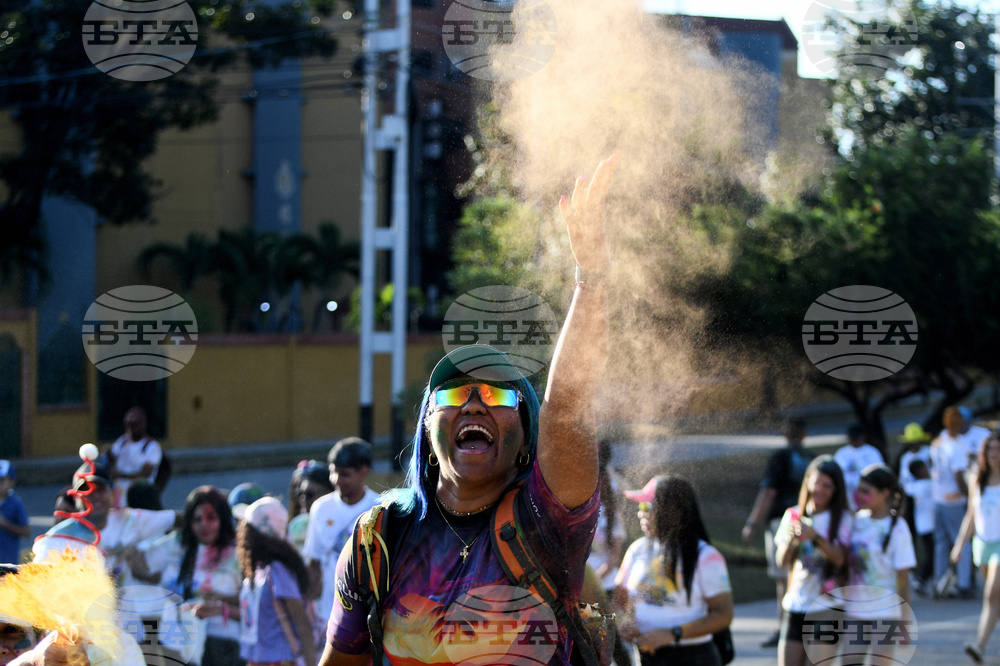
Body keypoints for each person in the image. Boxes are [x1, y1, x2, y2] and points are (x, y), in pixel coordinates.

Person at [320, 155, 616, 666]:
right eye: (455, 395)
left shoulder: (545, 528)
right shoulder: (380, 539)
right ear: (429, 427)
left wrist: (590, 280)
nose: (474, 400)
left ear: (526, 439)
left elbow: (566, 407)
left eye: (499, 395)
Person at [615, 475, 734, 666]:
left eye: (647, 507)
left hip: (694, 658)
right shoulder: (637, 550)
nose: (640, 513)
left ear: (671, 512)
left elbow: (723, 614)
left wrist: (673, 634)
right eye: (640, 506)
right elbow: (619, 599)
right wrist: (622, 620)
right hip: (647, 657)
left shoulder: (706, 557)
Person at [133, 486, 245, 666]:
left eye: (211, 518)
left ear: (222, 519)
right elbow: (140, 566)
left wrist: (219, 603)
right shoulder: (178, 545)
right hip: (179, 646)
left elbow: (256, 604)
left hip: (226, 646)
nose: (204, 525)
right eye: (197, 519)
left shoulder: (238, 552)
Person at [35, 461, 180, 584]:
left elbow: (181, 519)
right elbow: (40, 581)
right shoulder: (60, 537)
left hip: (127, 615)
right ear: (76, 498)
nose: (95, 496)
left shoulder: (128, 520)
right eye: (87, 491)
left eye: (100, 490)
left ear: (112, 494)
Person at [742, 417, 814, 648]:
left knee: (783, 579)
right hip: (806, 523)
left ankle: (784, 629)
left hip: (781, 523)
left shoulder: (781, 457)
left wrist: (752, 523)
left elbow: (769, 492)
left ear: (785, 434)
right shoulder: (810, 459)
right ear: (804, 433)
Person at [773, 456, 852, 666]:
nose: (820, 489)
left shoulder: (843, 518)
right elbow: (781, 562)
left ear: (836, 490)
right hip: (796, 604)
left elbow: (840, 559)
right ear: (807, 481)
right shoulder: (793, 515)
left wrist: (816, 537)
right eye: (816, 482)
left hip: (828, 609)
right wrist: (792, 540)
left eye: (827, 485)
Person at [302, 438, 380, 627]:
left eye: (344, 474)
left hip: (369, 616)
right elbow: (314, 561)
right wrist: (309, 605)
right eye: (333, 472)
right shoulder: (321, 508)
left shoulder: (379, 508)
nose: (337, 480)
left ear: (363, 472)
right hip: (331, 614)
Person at [845, 463, 916, 665]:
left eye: (866, 491)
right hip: (856, 611)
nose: (859, 495)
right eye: (859, 490)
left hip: (885, 613)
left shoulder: (898, 528)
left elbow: (903, 580)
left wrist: (904, 624)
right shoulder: (856, 521)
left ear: (885, 493)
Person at [237, 497, 317, 666]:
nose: (241, 532)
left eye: (246, 527)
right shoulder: (259, 570)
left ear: (257, 534)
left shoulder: (278, 571)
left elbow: (303, 624)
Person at [951, 434, 1000, 664]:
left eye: (998, 449)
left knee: (991, 594)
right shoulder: (977, 479)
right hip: (982, 544)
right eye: (990, 449)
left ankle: (979, 645)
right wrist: (960, 544)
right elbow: (971, 514)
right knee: (996, 599)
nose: (994, 454)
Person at [931, 406, 973, 598]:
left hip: (937, 498)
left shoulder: (939, 440)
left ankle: (940, 581)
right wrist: (969, 495)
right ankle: (963, 583)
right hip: (953, 500)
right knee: (962, 541)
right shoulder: (955, 446)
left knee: (941, 543)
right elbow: (958, 475)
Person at [105, 407, 162, 508]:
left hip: (139, 498)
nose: (130, 428)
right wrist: (108, 454)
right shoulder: (122, 441)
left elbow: (145, 474)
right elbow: (112, 458)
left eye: (133, 424)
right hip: (119, 497)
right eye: (127, 424)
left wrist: (120, 475)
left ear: (143, 424)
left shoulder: (151, 446)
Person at [903, 459, 935, 596]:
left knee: (930, 552)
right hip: (929, 525)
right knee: (932, 554)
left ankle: (922, 579)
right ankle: (921, 578)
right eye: (924, 468)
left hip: (922, 525)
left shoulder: (911, 486)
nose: (927, 470)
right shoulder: (926, 485)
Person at [833, 424, 884, 511]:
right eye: (852, 437)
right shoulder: (841, 453)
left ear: (863, 437)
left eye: (857, 437)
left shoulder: (872, 452)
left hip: (868, 495)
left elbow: (880, 473)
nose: (855, 440)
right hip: (847, 497)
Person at [288, 460, 335, 553]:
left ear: (329, 492)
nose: (303, 499)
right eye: (299, 494)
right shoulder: (297, 526)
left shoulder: (342, 521)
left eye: (310, 494)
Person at [0, 462, 28, 565]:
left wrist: (5, 524)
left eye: (2, 480)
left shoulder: (16, 503)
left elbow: (26, 532)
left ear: (12, 481)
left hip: (8, 562)